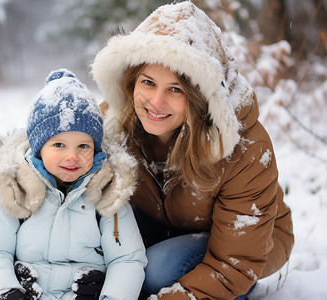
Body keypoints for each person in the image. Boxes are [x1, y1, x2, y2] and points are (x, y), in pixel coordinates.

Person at [89, 1, 294, 299]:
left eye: (175, 89)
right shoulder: (118, 119)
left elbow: (231, 263)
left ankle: (237, 290)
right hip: (166, 225)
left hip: (248, 242)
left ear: (199, 96)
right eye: (148, 82)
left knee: (158, 269)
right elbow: (61, 147)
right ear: (132, 82)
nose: (155, 102)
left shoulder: (245, 149)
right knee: (102, 241)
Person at [0, 69, 147, 300]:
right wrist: (5, 290)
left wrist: (111, 295)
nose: (72, 156)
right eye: (59, 145)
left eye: (83, 146)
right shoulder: (15, 189)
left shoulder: (108, 193)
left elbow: (127, 259)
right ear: (39, 148)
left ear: (96, 148)